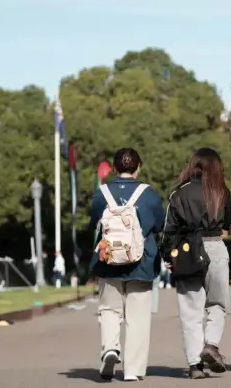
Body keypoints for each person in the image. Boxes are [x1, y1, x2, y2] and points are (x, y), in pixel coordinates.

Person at [90, 148, 166, 381]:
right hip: (141, 262)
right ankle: (133, 370)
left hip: (109, 260)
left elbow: (94, 222)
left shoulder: (101, 193)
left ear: (114, 168)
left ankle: (110, 349)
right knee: (138, 316)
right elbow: (160, 225)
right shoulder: (149, 194)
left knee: (109, 310)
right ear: (138, 167)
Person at [161, 148, 231, 379]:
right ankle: (211, 343)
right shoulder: (222, 192)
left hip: (187, 251)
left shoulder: (178, 194)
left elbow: (169, 230)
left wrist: (168, 256)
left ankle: (194, 365)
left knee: (190, 311)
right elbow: (227, 225)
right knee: (217, 303)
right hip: (215, 246)